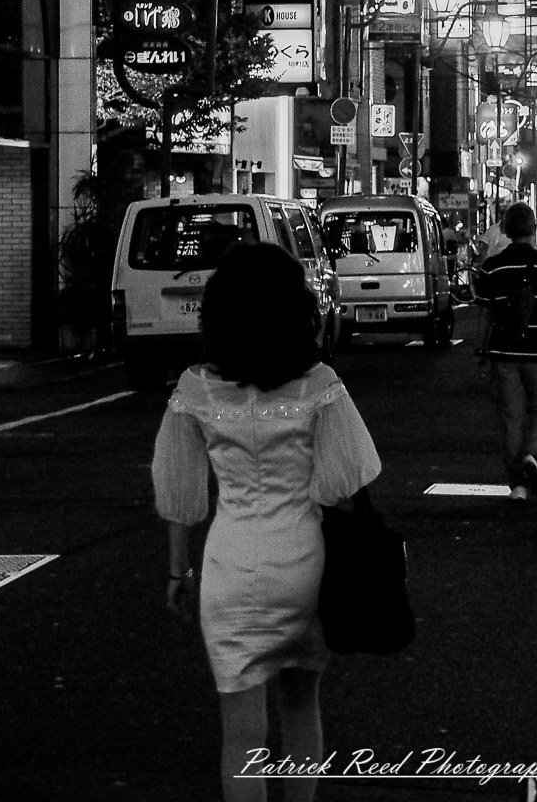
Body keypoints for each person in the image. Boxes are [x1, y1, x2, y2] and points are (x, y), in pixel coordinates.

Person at [154, 242, 382, 802]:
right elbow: (350, 478)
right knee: (302, 704)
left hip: (231, 568)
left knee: (242, 736)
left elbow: (181, 494)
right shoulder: (319, 383)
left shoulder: (194, 389)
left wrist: (177, 573)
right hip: (305, 563)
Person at [473, 202, 537, 501]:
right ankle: (534, 453)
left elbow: (485, 315)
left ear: (505, 229)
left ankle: (517, 485)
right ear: (534, 229)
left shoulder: (492, 267)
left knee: (511, 418)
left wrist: (482, 350)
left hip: (504, 353)